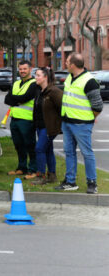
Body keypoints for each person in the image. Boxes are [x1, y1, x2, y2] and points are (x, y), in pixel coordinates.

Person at [56, 53, 103, 194]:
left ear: (73, 65)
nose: (65, 63)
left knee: (87, 153)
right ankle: (70, 181)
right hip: (67, 122)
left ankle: (92, 182)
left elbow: (98, 106)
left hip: (82, 124)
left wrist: (89, 118)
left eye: (67, 62)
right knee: (69, 152)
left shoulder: (89, 81)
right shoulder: (70, 77)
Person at [5, 60, 37, 178]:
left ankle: (33, 169)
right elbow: (6, 99)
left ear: (30, 69)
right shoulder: (16, 83)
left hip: (27, 120)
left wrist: (15, 99)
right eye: (21, 69)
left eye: (25, 69)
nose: (22, 71)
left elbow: (25, 97)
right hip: (15, 119)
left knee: (30, 145)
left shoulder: (34, 83)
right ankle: (21, 167)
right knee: (18, 145)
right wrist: (17, 99)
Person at [31, 67, 62, 185]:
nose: (36, 77)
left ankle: (41, 176)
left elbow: (62, 109)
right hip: (40, 126)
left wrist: (58, 124)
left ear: (45, 77)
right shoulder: (40, 91)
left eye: (38, 75)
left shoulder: (54, 91)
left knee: (39, 149)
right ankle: (52, 175)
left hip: (49, 128)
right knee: (48, 150)